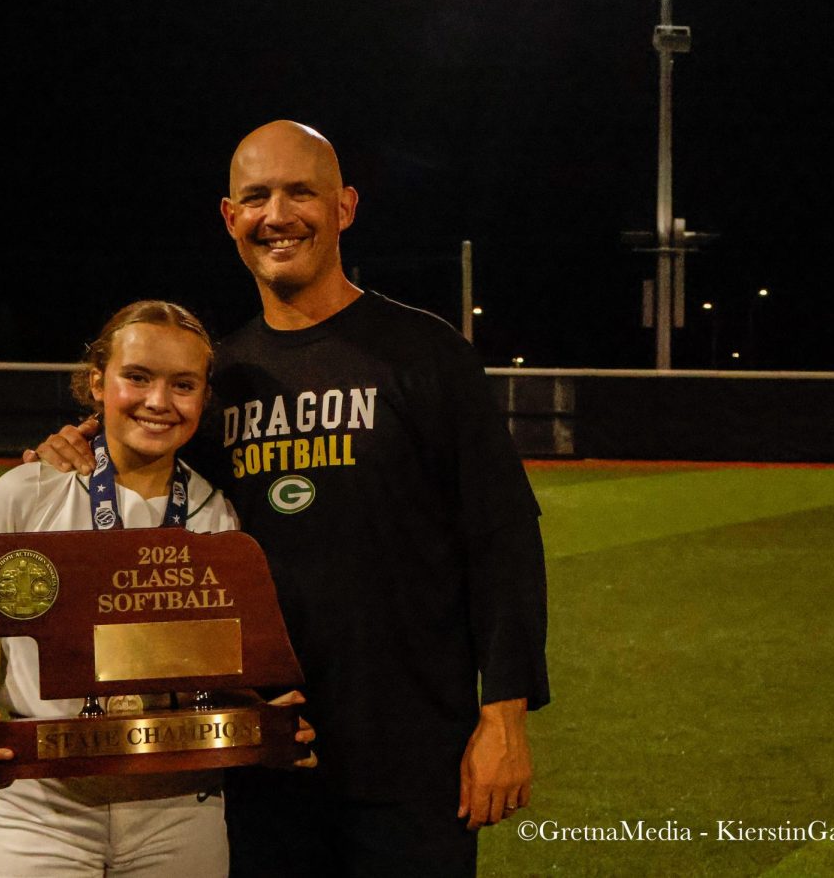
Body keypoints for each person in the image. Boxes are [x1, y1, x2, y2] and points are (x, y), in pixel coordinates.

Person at [29, 121, 549, 878]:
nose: (278, 214)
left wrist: (503, 716)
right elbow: (146, 504)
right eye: (257, 196)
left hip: (412, 758)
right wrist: (69, 454)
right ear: (229, 217)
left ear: (345, 206)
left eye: (300, 192)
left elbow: (503, 539)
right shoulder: (219, 379)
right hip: (258, 757)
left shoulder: (424, 353)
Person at [0, 299, 314, 878]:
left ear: (203, 398)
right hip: (44, 808)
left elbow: (212, 663)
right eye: (136, 377)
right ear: (97, 381)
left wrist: (263, 720)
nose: (158, 402)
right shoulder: (23, 493)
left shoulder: (217, 514)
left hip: (180, 809)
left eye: (183, 384)